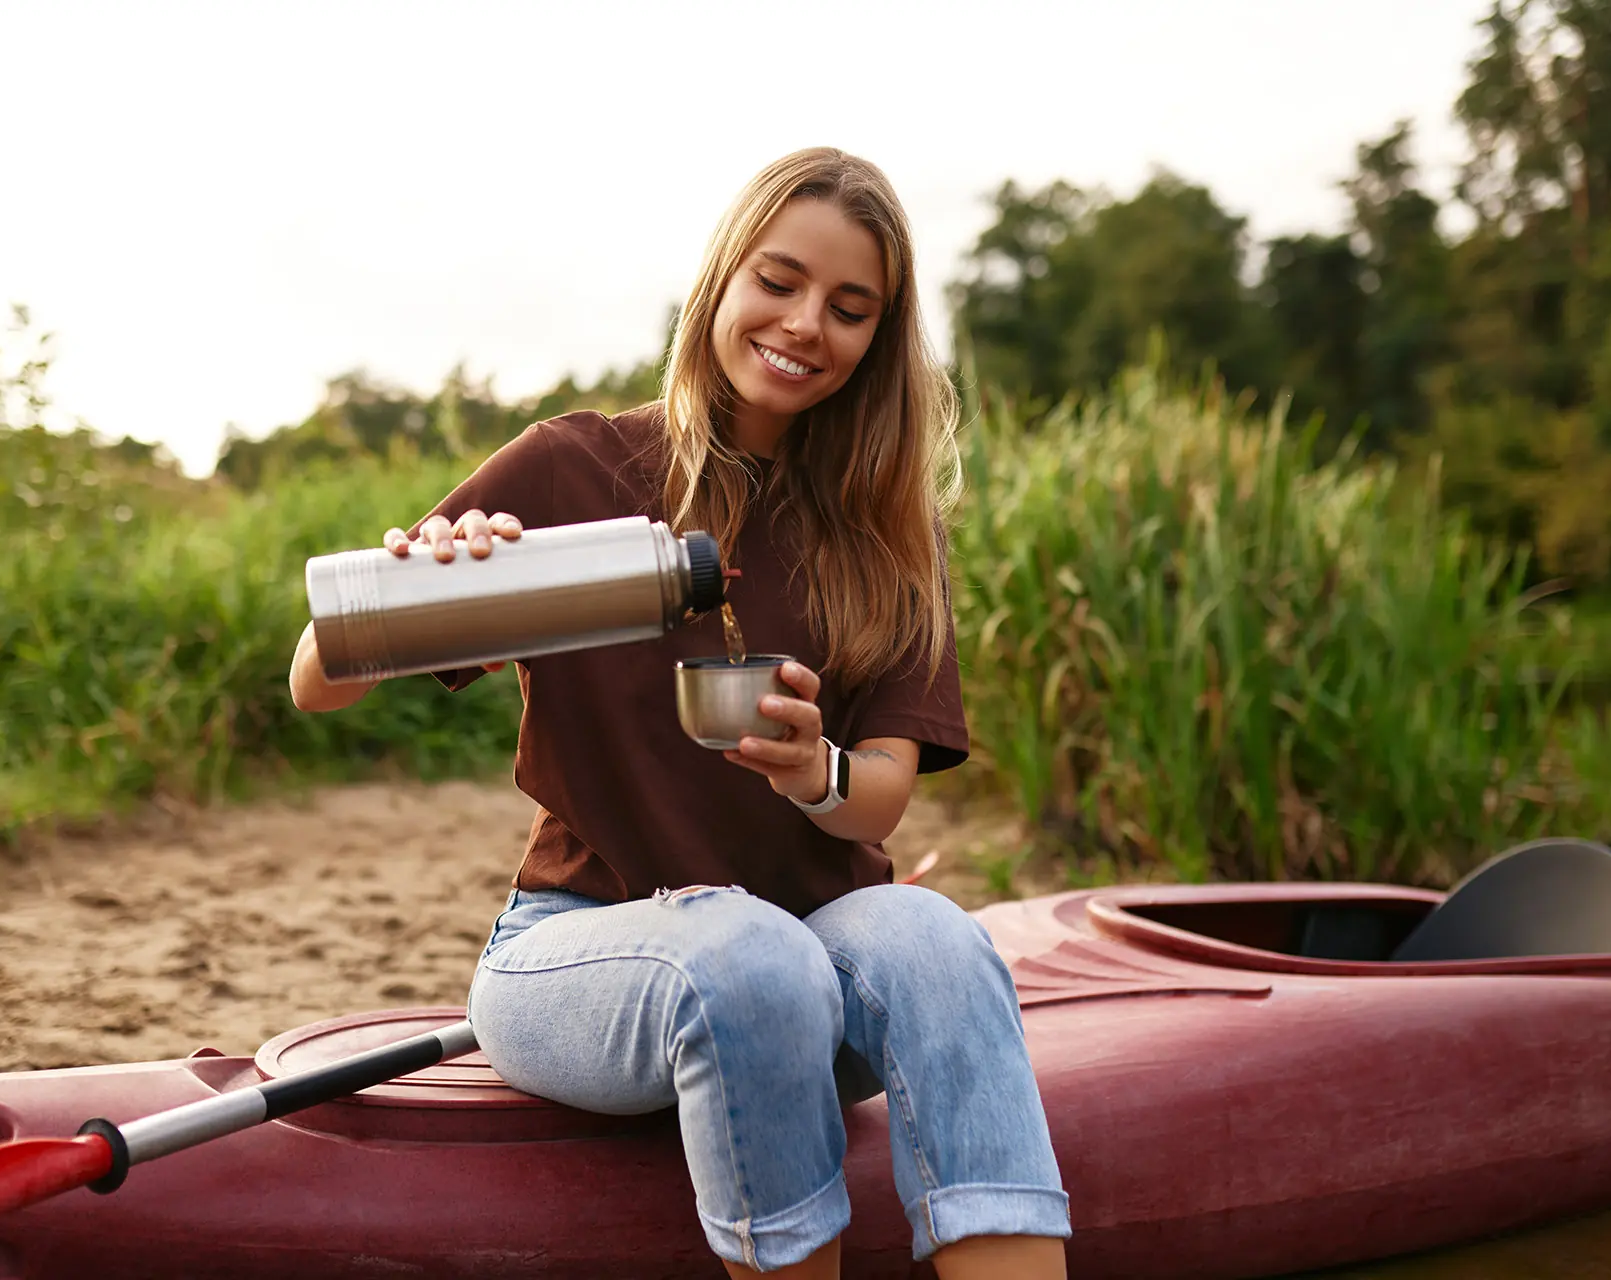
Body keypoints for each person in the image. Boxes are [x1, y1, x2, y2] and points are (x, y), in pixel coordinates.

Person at [289, 147, 1070, 1279]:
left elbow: (880, 798)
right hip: (580, 951)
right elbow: (320, 677)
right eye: (780, 280)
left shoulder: (889, 531)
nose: (806, 324)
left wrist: (817, 773)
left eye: (850, 309)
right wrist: (429, 584)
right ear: (723, 279)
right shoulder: (577, 469)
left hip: (814, 947)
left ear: (880, 340)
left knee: (938, 937)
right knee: (750, 958)